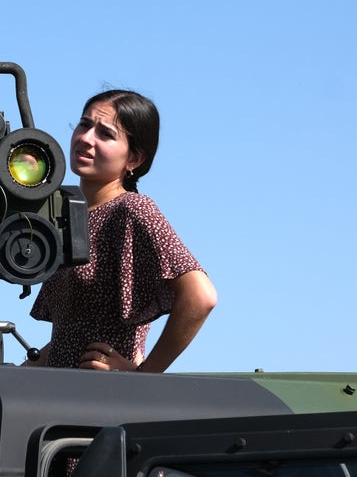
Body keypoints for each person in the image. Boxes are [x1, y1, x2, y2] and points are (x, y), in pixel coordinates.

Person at [25, 90, 217, 373]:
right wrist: (14, 374)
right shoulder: (67, 217)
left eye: (105, 134)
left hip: (105, 397)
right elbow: (71, 335)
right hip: (61, 393)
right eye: (84, 125)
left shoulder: (132, 209)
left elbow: (201, 296)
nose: (86, 138)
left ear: (134, 159)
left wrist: (145, 377)